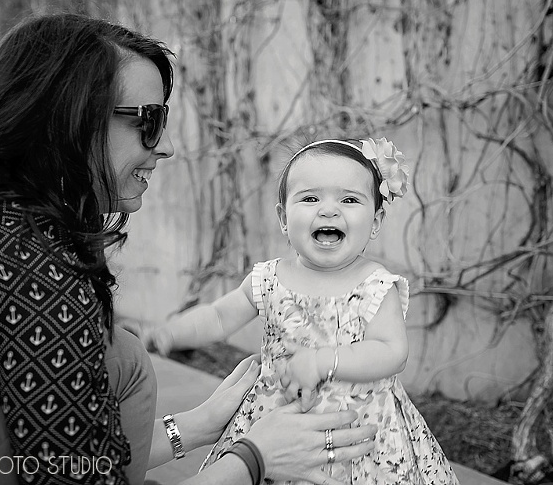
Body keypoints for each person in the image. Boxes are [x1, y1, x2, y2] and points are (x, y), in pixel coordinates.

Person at [0, 13, 376, 485]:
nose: (168, 146)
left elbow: (72, 450)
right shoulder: (27, 264)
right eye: (149, 121)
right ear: (68, 118)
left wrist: (199, 426)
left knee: (121, 358)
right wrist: (254, 459)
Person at [141, 138, 461, 484]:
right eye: (310, 198)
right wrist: (173, 332)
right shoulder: (268, 278)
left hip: (358, 430)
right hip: (277, 421)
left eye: (349, 199)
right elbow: (218, 317)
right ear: (283, 217)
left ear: (375, 221)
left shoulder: (374, 285)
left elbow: (392, 353)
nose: (328, 210)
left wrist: (323, 360)